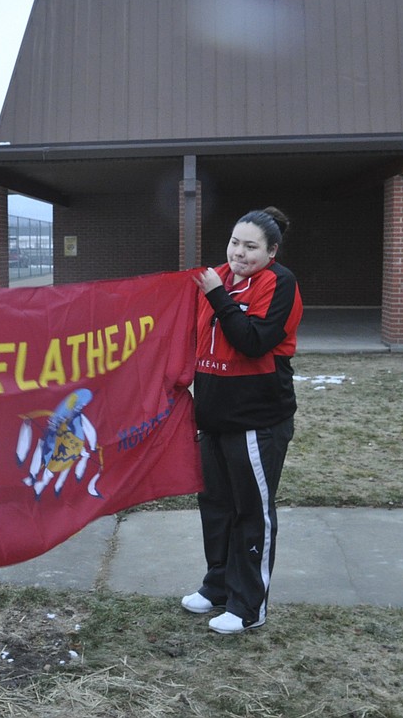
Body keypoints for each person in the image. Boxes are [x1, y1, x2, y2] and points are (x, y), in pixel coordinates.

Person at [181, 207, 303, 634]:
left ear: (271, 251)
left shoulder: (279, 283)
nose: (239, 253)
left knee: (251, 511)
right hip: (212, 416)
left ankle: (249, 605)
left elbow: (254, 342)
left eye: (251, 246)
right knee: (215, 507)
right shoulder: (214, 277)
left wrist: (218, 296)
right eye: (235, 242)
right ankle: (218, 586)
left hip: (256, 419)